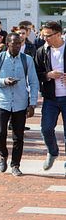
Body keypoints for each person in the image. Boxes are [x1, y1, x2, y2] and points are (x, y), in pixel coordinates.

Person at [0, 33, 38, 176]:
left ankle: (15, 164)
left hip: (20, 102)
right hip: (3, 101)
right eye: (14, 43)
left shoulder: (27, 60)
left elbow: (33, 82)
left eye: (19, 43)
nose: (17, 46)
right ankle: (3, 155)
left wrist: (32, 103)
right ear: (7, 43)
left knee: (18, 136)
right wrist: (3, 81)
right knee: (0, 133)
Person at [34, 21, 66, 174]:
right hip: (51, 98)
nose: (45, 38)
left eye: (48, 35)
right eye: (43, 35)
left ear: (59, 34)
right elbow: (36, 73)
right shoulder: (42, 51)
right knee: (46, 129)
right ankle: (52, 152)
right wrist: (48, 75)